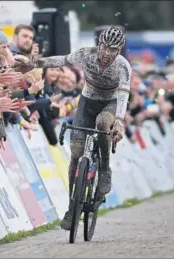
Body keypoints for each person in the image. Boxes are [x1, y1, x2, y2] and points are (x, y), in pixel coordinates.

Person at [35, 26, 132, 230]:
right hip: (87, 101)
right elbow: (61, 61)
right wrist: (34, 63)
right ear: (99, 44)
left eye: (114, 50)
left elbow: (123, 96)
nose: (107, 53)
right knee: (76, 153)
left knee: (103, 124)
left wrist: (119, 122)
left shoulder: (123, 67)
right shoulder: (86, 54)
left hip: (110, 103)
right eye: (105, 47)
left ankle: (104, 168)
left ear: (120, 51)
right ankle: (72, 208)